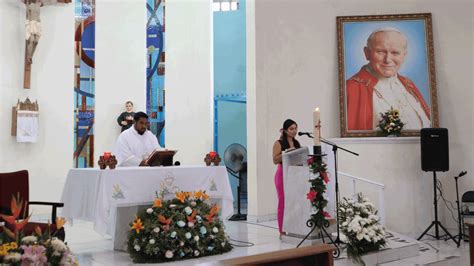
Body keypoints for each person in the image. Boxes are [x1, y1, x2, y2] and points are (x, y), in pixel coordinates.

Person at [346, 27, 431, 131]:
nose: (388, 60)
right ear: (367, 53)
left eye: (395, 53)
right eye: (381, 52)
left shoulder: (408, 85)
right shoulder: (350, 89)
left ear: (404, 55)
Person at [272, 119, 301, 235]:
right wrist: (286, 152)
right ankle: (282, 230)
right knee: (283, 202)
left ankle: (294, 227)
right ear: (285, 130)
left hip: (294, 174)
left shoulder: (297, 143)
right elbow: (275, 160)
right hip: (282, 174)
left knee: (294, 202)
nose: (294, 131)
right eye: (291, 129)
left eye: (295, 128)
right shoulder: (278, 143)